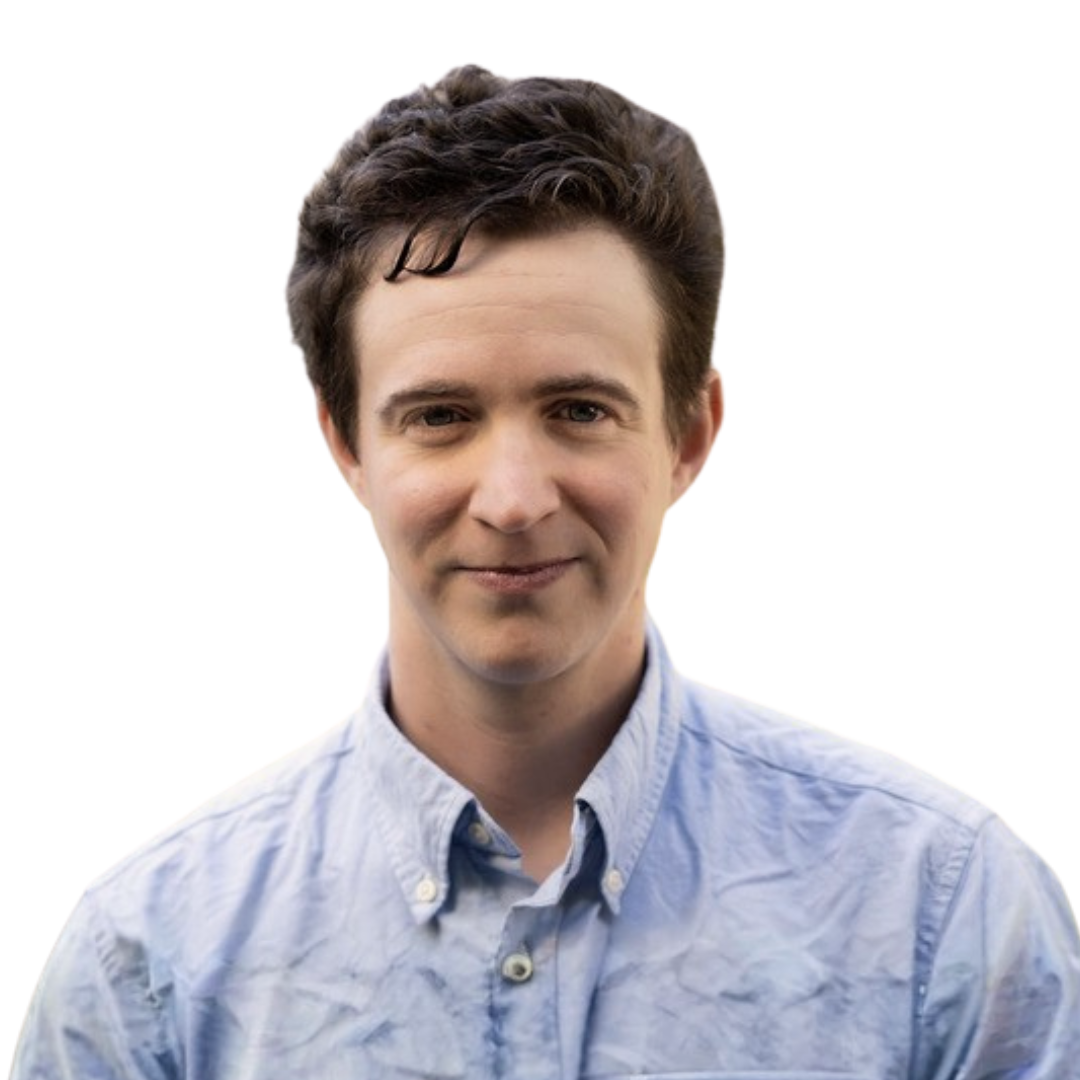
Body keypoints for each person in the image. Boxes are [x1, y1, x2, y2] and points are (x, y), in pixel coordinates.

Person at [11, 64, 1080, 1079]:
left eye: (579, 410)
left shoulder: (949, 920)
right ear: (347, 443)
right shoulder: (148, 966)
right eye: (440, 417)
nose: (514, 497)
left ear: (688, 434)